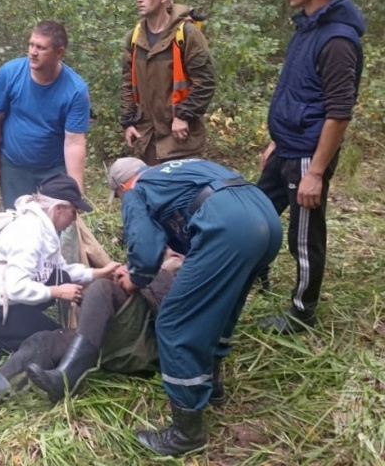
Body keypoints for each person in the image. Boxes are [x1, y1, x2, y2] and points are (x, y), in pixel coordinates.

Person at [108, 156, 282, 456]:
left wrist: (134, 279)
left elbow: (146, 250)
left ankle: (186, 433)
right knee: (222, 305)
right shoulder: (175, 170)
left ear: (122, 186)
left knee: (174, 323)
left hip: (230, 227)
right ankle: (213, 385)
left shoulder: (136, 189)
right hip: (265, 215)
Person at [0, 250, 187, 428]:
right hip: (114, 336)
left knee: (102, 288)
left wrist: (140, 279)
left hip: (142, 345)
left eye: (171, 251)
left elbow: (174, 311)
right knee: (43, 340)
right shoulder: (151, 254)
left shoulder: (186, 272)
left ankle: (67, 376)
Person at [257, 0, 365, 334]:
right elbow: (298, 92)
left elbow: (338, 112)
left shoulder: (338, 40)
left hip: (308, 154)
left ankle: (302, 313)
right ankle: (256, 273)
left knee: (303, 236)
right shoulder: (307, 29)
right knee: (257, 213)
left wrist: (315, 172)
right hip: (287, 146)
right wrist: (276, 140)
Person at [0, 172, 118, 372]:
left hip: (4, 297)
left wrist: (99, 273)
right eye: (74, 212)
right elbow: (16, 289)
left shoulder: (46, 228)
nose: (75, 219)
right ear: (58, 209)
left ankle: (3, 333)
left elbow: (61, 270)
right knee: (51, 339)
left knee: (60, 281)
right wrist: (57, 292)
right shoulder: (28, 235)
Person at [0, 20, 90, 209]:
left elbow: (74, 141)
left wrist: (75, 188)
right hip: (14, 165)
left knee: (54, 224)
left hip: (53, 169)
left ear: (59, 52)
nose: (33, 52)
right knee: (18, 223)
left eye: (41, 48)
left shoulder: (75, 90)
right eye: (31, 45)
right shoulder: (10, 73)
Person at [120, 0, 215, 165]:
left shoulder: (187, 34)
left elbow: (205, 82)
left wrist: (183, 116)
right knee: (152, 192)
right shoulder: (135, 37)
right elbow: (127, 83)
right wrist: (128, 122)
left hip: (181, 139)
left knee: (181, 193)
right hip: (146, 139)